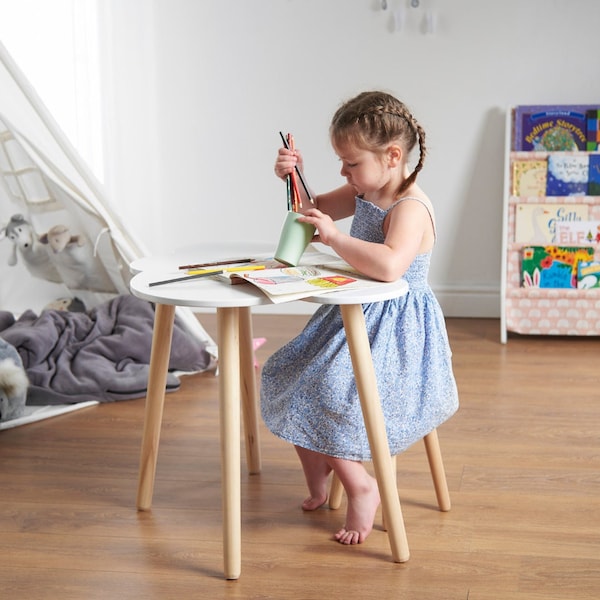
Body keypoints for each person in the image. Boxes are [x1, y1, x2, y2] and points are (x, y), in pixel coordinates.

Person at [260, 90, 459, 545]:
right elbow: (315, 213)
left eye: (350, 163)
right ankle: (320, 479)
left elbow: (390, 266)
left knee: (328, 389)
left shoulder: (410, 206)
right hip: (352, 316)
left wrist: (333, 240)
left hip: (395, 328)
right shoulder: (365, 188)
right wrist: (295, 179)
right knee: (286, 372)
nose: (344, 173)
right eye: (341, 163)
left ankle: (361, 484)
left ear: (392, 156)